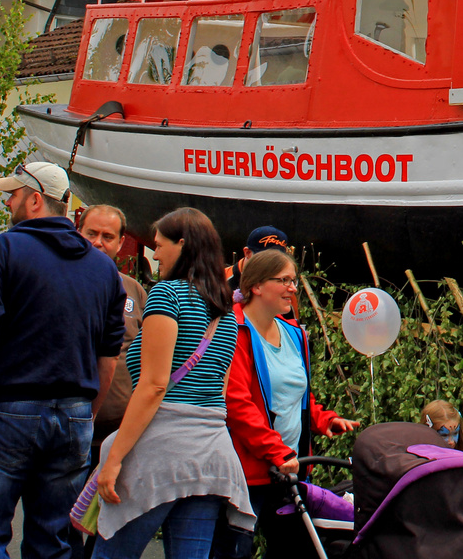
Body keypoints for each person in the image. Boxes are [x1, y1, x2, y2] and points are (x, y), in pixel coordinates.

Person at [0, 162, 126, 559]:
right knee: (53, 541)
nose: (8, 202)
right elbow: (108, 357)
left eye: (13, 194)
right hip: (74, 413)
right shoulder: (103, 269)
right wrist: (88, 410)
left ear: (35, 200)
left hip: (8, 407)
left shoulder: (7, 249)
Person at [93, 208, 253, 558]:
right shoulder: (226, 310)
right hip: (211, 456)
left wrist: (115, 458)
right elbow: (219, 390)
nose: (155, 254)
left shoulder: (168, 295)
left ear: (181, 245)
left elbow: (153, 385)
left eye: (159, 245)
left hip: (162, 452)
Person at [222, 248, 358, 555]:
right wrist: (277, 452)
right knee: (234, 550)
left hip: (291, 469)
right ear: (256, 285)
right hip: (251, 472)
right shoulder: (234, 331)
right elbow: (237, 404)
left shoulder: (294, 333)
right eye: (284, 280)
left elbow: (297, 395)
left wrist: (324, 420)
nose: (293, 288)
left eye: (294, 280)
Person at [80, 204, 148, 453]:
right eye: (91, 234)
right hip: (69, 422)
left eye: (107, 237)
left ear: (120, 243)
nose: (98, 242)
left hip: (121, 431)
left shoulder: (133, 290)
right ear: (79, 233)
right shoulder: (62, 283)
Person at [225, 224, 288, 294]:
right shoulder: (221, 281)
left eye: (277, 260)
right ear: (247, 253)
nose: (271, 264)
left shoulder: (285, 285)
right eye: (265, 259)